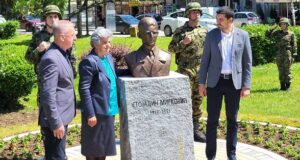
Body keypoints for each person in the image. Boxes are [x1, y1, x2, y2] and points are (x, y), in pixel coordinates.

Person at [198, 7, 252, 160]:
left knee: (232, 120)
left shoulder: (243, 36)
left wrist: (246, 86)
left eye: (221, 19)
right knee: (212, 120)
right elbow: (205, 61)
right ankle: (210, 155)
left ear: (230, 20)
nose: (218, 22)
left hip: (234, 84)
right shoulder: (211, 35)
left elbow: (247, 63)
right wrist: (202, 83)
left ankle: (232, 154)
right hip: (215, 83)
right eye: (217, 19)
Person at [168, 2, 207, 142]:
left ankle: (195, 130)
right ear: (188, 14)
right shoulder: (180, 31)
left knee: (198, 100)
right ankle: (183, 128)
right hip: (185, 71)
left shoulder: (204, 31)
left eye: (198, 12)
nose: (196, 15)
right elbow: (171, 49)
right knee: (184, 100)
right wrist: (183, 43)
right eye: (193, 12)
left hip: (201, 71)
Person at [39, 20, 77, 160]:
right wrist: (56, 123)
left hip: (61, 117)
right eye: (72, 35)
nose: (75, 38)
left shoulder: (62, 53)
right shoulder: (52, 59)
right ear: (62, 37)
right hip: (55, 122)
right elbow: (47, 95)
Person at [79, 28, 118, 160]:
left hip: (109, 110)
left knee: (103, 150)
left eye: (109, 42)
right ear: (95, 44)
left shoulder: (108, 58)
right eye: (105, 43)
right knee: (94, 150)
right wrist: (90, 114)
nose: (109, 45)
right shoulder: (89, 62)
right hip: (96, 113)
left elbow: (113, 75)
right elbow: (84, 89)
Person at [25, 5, 77, 104]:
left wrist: (72, 75)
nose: (53, 19)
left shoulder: (65, 34)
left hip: (63, 79)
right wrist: (38, 50)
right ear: (45, 18)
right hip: (45, 79)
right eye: (50, 16)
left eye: (55, 16)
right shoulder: (38, 36)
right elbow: (28, 58)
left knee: (63, 108)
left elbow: (73, 58)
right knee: (46, 108)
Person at [265, 17, 297, 91]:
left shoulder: (291, 34)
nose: (282, 25)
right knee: (281, 70)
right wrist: (274, 26)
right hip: (279, 53)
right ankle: (282, 86)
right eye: (281, 24)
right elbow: (267, 34)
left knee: (287, 70)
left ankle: (288, 86)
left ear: (287, 25)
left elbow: (294, 45)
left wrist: (294, 55)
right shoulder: (277, 33)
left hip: (287, 53)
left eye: (284, 24)